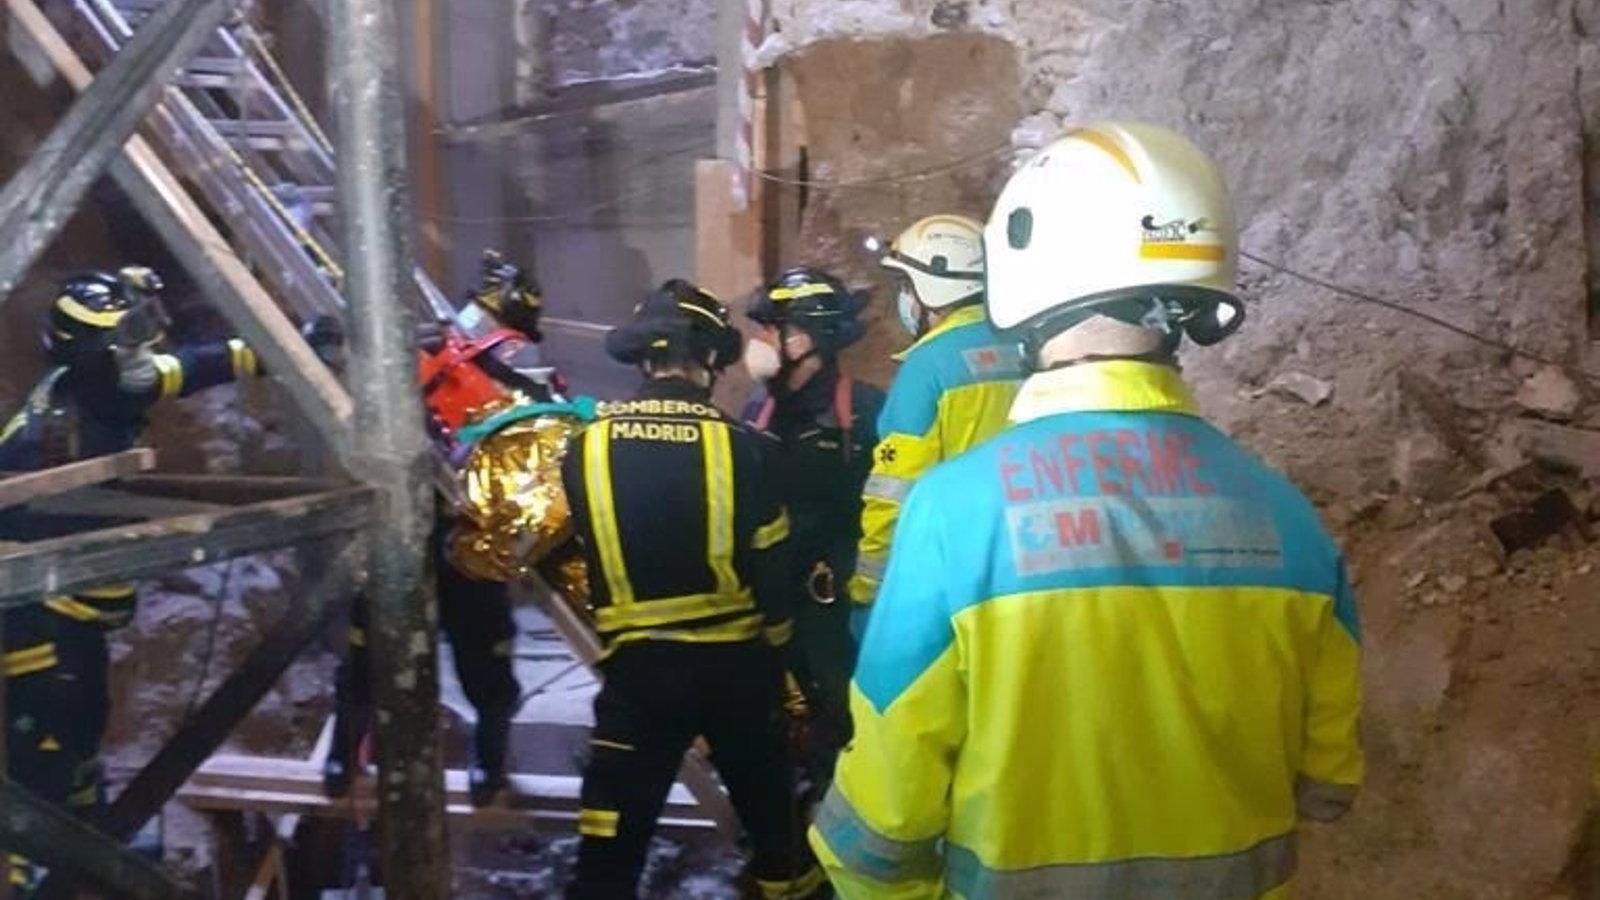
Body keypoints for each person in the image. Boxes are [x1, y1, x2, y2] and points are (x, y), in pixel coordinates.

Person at [810, 122, 1364, 899]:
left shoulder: (952, 516)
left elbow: (880, 824)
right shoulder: (1290, 518)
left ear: (1025, 272)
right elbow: (1327, 779)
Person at [0, 267, 293, 892]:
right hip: (36, 616)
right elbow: (176, 370)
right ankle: (40, 878)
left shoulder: (95, 387)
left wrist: (278, 352)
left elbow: (190, 367)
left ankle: (84, 855)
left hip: (67, 614)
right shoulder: (83, 407)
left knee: (78, 741)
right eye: (128, 340)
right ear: (94, 354)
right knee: (46, 760)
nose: (146, 355)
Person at [561, 279, 823, 900]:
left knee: (609, 851)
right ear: (709, 359)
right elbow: (773, 584)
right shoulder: (746, 449)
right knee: (775, 835)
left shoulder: (583, 447)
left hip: (637, 678)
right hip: (737, 674)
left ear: (644, 360)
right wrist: (787, 665)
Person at [325, 249, 551, 806]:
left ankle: (483, 760)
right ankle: (348, 753)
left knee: (477, 654)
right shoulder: (430, 352)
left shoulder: (507, 372)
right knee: (373, 649)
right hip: (417, 523)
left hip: (454, 528)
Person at [848, 215, 1023, 626]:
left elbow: (893, 492)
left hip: (949, 582)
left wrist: (867, 590)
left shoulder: (927, 366)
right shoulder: (1030, 349)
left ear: (934, 286)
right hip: (1024, 570)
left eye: (906, 286)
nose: (904, 300)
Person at [743, 266, 883, 778]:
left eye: (770, 329)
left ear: (802, 338)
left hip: (833, 609)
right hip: (769, 602)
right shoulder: (756, 408)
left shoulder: (865, 411)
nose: (759, 342)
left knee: (840, 727)